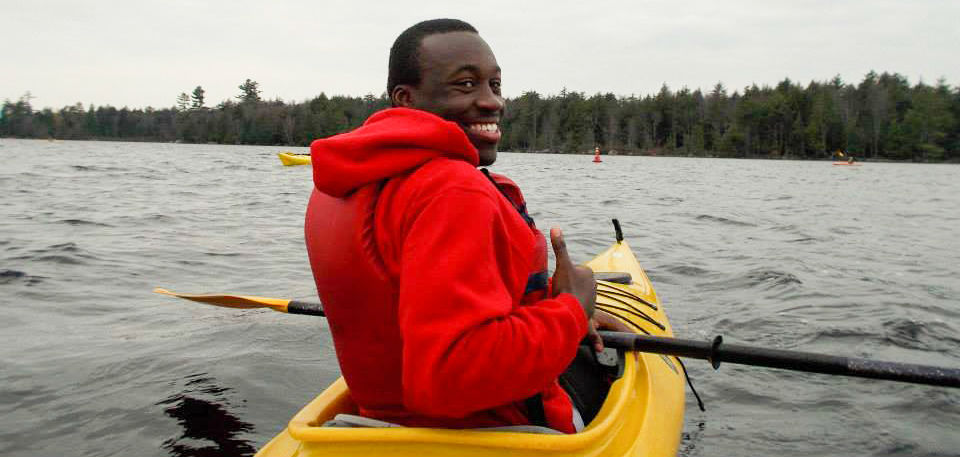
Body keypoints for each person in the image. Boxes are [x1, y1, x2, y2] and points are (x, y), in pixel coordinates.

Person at [304, 18, 618, 434]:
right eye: (465, 85)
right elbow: (450, 378)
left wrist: (557, 309)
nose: (492, 102)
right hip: (497, 431)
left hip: (378, 423)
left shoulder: (337, 187)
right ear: (405, 98)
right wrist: (573, 309)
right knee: (606, 371)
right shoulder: (453, 191)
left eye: (495, 85)